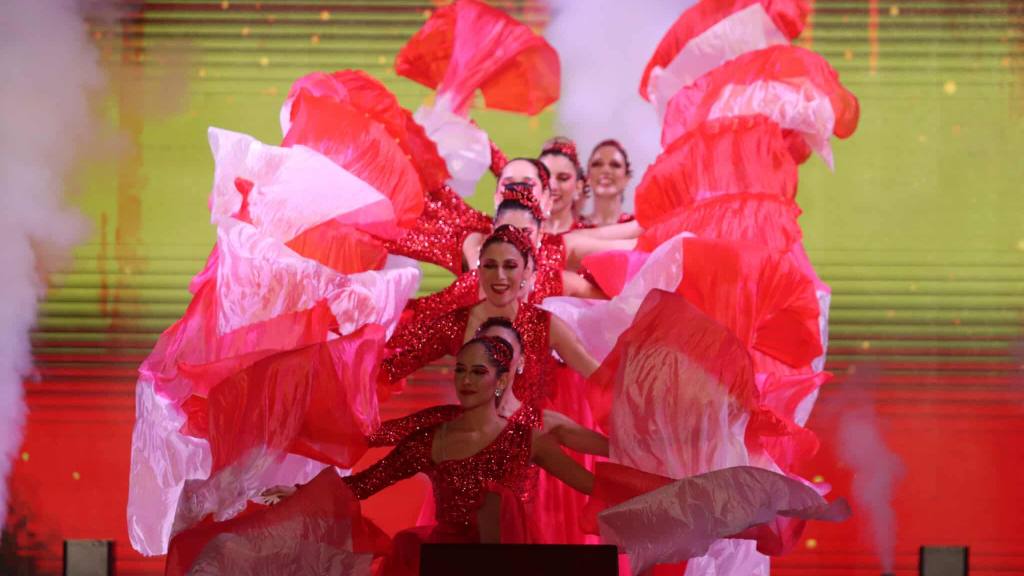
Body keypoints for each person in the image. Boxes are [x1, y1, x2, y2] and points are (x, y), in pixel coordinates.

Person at [380, 225, 599, 429]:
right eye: (490, 265)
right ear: (479, 271)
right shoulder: (457, 324)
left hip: (532, 452)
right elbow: (393, 367)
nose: (500, 276)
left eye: (510, 266)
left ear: (526, 273)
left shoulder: (545, 325)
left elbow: (600, 377)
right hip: (473, 452)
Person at [582, 139, 636, 227]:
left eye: (615, 165)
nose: (606, 170)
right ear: (588, 177)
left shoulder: (640, 228)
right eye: (597, 164)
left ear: (627, 178)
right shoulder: (573, 227)